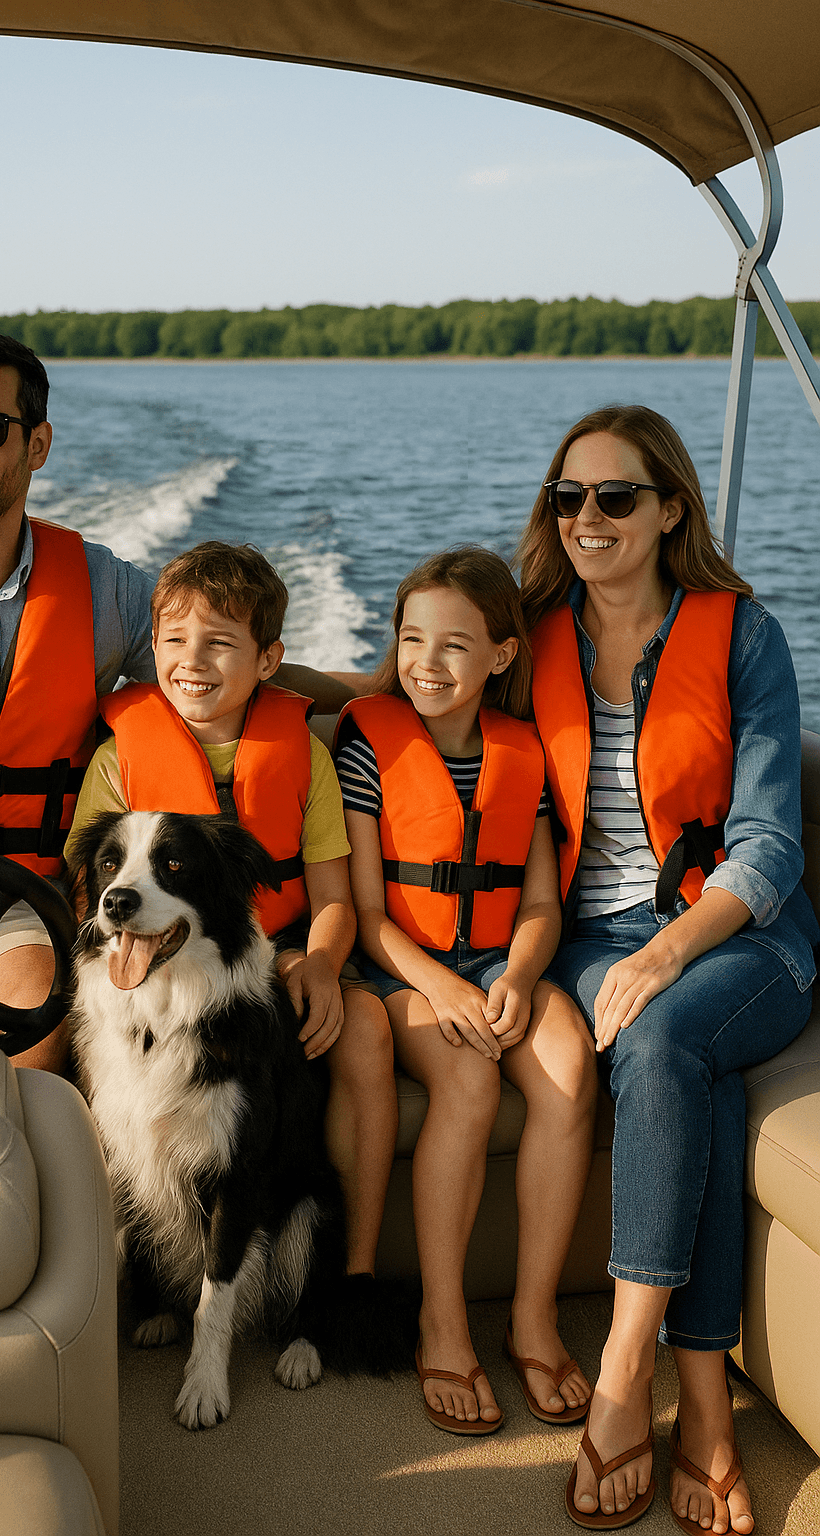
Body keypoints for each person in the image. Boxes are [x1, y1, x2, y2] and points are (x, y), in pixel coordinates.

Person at [0, 332, 351, 1073]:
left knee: (42, 1048)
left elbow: (215, 661)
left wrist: (375, 693)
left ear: (38, 444)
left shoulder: (104, 591)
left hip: (16, 902)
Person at [518, 404, 818, 1533]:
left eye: (615, 497)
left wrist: (668, 948)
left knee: (662, 1038)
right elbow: (413, 682)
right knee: (689, 1072)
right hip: (592, 945)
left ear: (668, 509)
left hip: (744, 939)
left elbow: (772, 844)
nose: (587, 519)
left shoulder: (742, 637)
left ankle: (623, 1360)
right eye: (569, 499)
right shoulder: (530, 630)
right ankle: (704, 1407)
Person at [64, 540, 398, 1277]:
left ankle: (354, 1268)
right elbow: (97, 899)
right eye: (175, 640)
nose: (194, 660)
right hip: (165, 960)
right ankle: (137, 1261)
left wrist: (320, 961)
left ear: (268, 660)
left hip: (283, 948)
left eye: (220, 644)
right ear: (151, 647)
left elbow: (334, 897)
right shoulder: (118, 760)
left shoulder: (301, 754)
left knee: (369, 1026)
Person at [334, 546, 597, 1434]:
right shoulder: (368, 745)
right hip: (402, 969)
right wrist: (444, 989)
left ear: (502, 655)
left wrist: (520, 976)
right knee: (469, 1077)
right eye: (412, 639)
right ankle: (442, 1322)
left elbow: (538, 904)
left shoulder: (523, 756)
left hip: (501, 960)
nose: (426, 664)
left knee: (567, 1063)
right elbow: (368, 915)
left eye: (453, 645)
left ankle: (532, 1315)